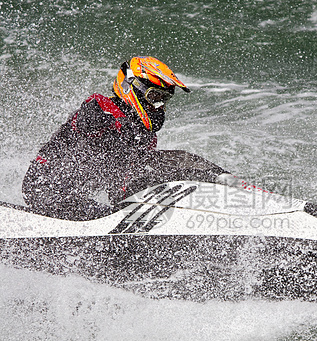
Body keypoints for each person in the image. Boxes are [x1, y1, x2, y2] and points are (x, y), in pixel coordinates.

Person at [22, 56, 226, 220]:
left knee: (161, 176)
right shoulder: (99, 107)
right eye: (155, 98)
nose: (159, 107)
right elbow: (87, 123)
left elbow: (122, 187)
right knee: (117, 216)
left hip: (75, 198)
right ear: (132, 87)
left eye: (164, 100)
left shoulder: (143, 136)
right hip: (44, 190)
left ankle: (222, 180)